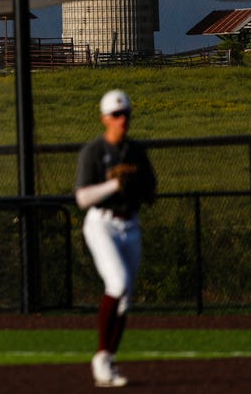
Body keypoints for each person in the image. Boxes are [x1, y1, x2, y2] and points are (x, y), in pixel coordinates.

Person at [75, 89, 157, 388]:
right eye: (117, 115)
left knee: (125, 302)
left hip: (131, 225)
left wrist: (138, 186)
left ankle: (107, 359)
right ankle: (100, 357)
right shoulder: (94, 152)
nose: (123, 120)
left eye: (126, 115)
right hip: (102, 224)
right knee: (118, 284)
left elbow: (150, 194)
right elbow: (83, 198)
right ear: (104, 118)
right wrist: (112, 186)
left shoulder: (136, 152)